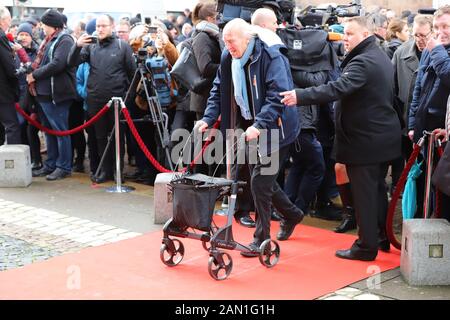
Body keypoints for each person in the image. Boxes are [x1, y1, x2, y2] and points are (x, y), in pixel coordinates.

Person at [281, 16, 402, 261]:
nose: (344, 38)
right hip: (379, 137)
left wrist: (299, 95)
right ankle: (379, 238)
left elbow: (336, 88)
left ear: (365, 34)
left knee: (366, 194)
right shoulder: (378, 55)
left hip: (366, 140)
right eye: (344, 33)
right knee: (376, 191)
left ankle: (365, 246)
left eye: (349, 34)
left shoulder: (364, 61)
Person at [195, 18, 304, 257]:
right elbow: (218, 90)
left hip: (276, 127)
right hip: (248, 124)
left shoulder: (270, 56)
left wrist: (260, 124)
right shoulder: (228, 57)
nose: (228, 47)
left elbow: (278, 95)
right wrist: (207, 118)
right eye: (225, 42)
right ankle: (293, 214)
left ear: (247, 38)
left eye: (231, 42)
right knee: (263, 181)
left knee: (260, 182)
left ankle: (261, 239)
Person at [67, 14, 136, 183]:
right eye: (98, 26)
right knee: (99, 138)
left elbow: (132, 75)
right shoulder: (91, 46)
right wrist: (76, 46)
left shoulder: (122, 46)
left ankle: (117, 171)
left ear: (111, 26)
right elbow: (71, 62)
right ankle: (104, 171)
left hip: (117, 101)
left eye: (103, 26)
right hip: (95, 101)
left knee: (117, 137)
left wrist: (128, 99)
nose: (100, 29)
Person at [408, 5, 450, 220]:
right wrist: (412, 124)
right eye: (437, 26)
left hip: (446, 131)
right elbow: (418, 89)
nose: (440, 31)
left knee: (442, 184)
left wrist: (438, 52)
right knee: (427, 179)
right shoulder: (429, 51)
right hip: (426, 129)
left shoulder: (437, 50)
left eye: (446, 26)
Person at [28, 9, 77, 180]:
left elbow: (57, 64)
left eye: (44, 24)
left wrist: (34, 75)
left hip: (58, 94)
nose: (41, 27)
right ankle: (51, 164)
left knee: (60, 131)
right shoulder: (49, 39)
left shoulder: (64, 39)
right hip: (44, 93)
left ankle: (63, 166)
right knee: (49, 131)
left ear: (53, 25)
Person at [0, 6, 21, 145]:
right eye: (8, 19)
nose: (9, 23)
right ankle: (12, 165)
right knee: (12, 126)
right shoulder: (1, 36)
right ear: (2, 20)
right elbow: (10, 68)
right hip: (3, 90)